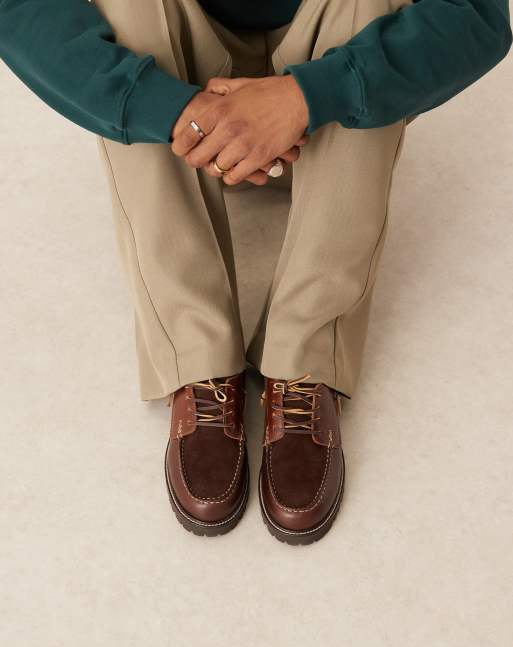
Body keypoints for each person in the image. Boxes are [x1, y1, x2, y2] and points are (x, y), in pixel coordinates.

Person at [1, 0, 511, 545]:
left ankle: (305, 360)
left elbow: (477, 14)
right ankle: (196, 357)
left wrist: (307, 96)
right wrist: (169, 108)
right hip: (181, 100)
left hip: (328, 99)